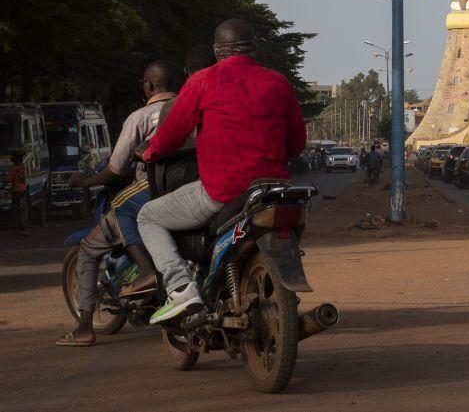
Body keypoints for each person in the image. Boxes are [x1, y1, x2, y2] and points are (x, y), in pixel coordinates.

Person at [138, 18, 307, 324]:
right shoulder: (278, 82)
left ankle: (179, 287)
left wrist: (151, 151)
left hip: (222, 190)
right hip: (273, 189)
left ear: (217, 51)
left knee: (148, 216)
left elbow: (172, 134)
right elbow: (297, 142)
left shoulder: (202, 81)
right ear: (253, 49)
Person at [56, 60, 180, 346]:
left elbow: (115, 168)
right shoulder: (192, 111)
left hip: (147, 192)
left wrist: (83, 182)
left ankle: (85, 327)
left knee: (89, 248)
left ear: (148, 86)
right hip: (188, 193)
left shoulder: (140, 118)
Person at [6, 152, 29, 236]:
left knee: (15, 210)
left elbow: (8, 179)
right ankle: (22, 227)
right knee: (20, 209)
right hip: (23, 190)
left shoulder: (14, 168)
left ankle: (16, 228)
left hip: (17, 191)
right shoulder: (22, 167)